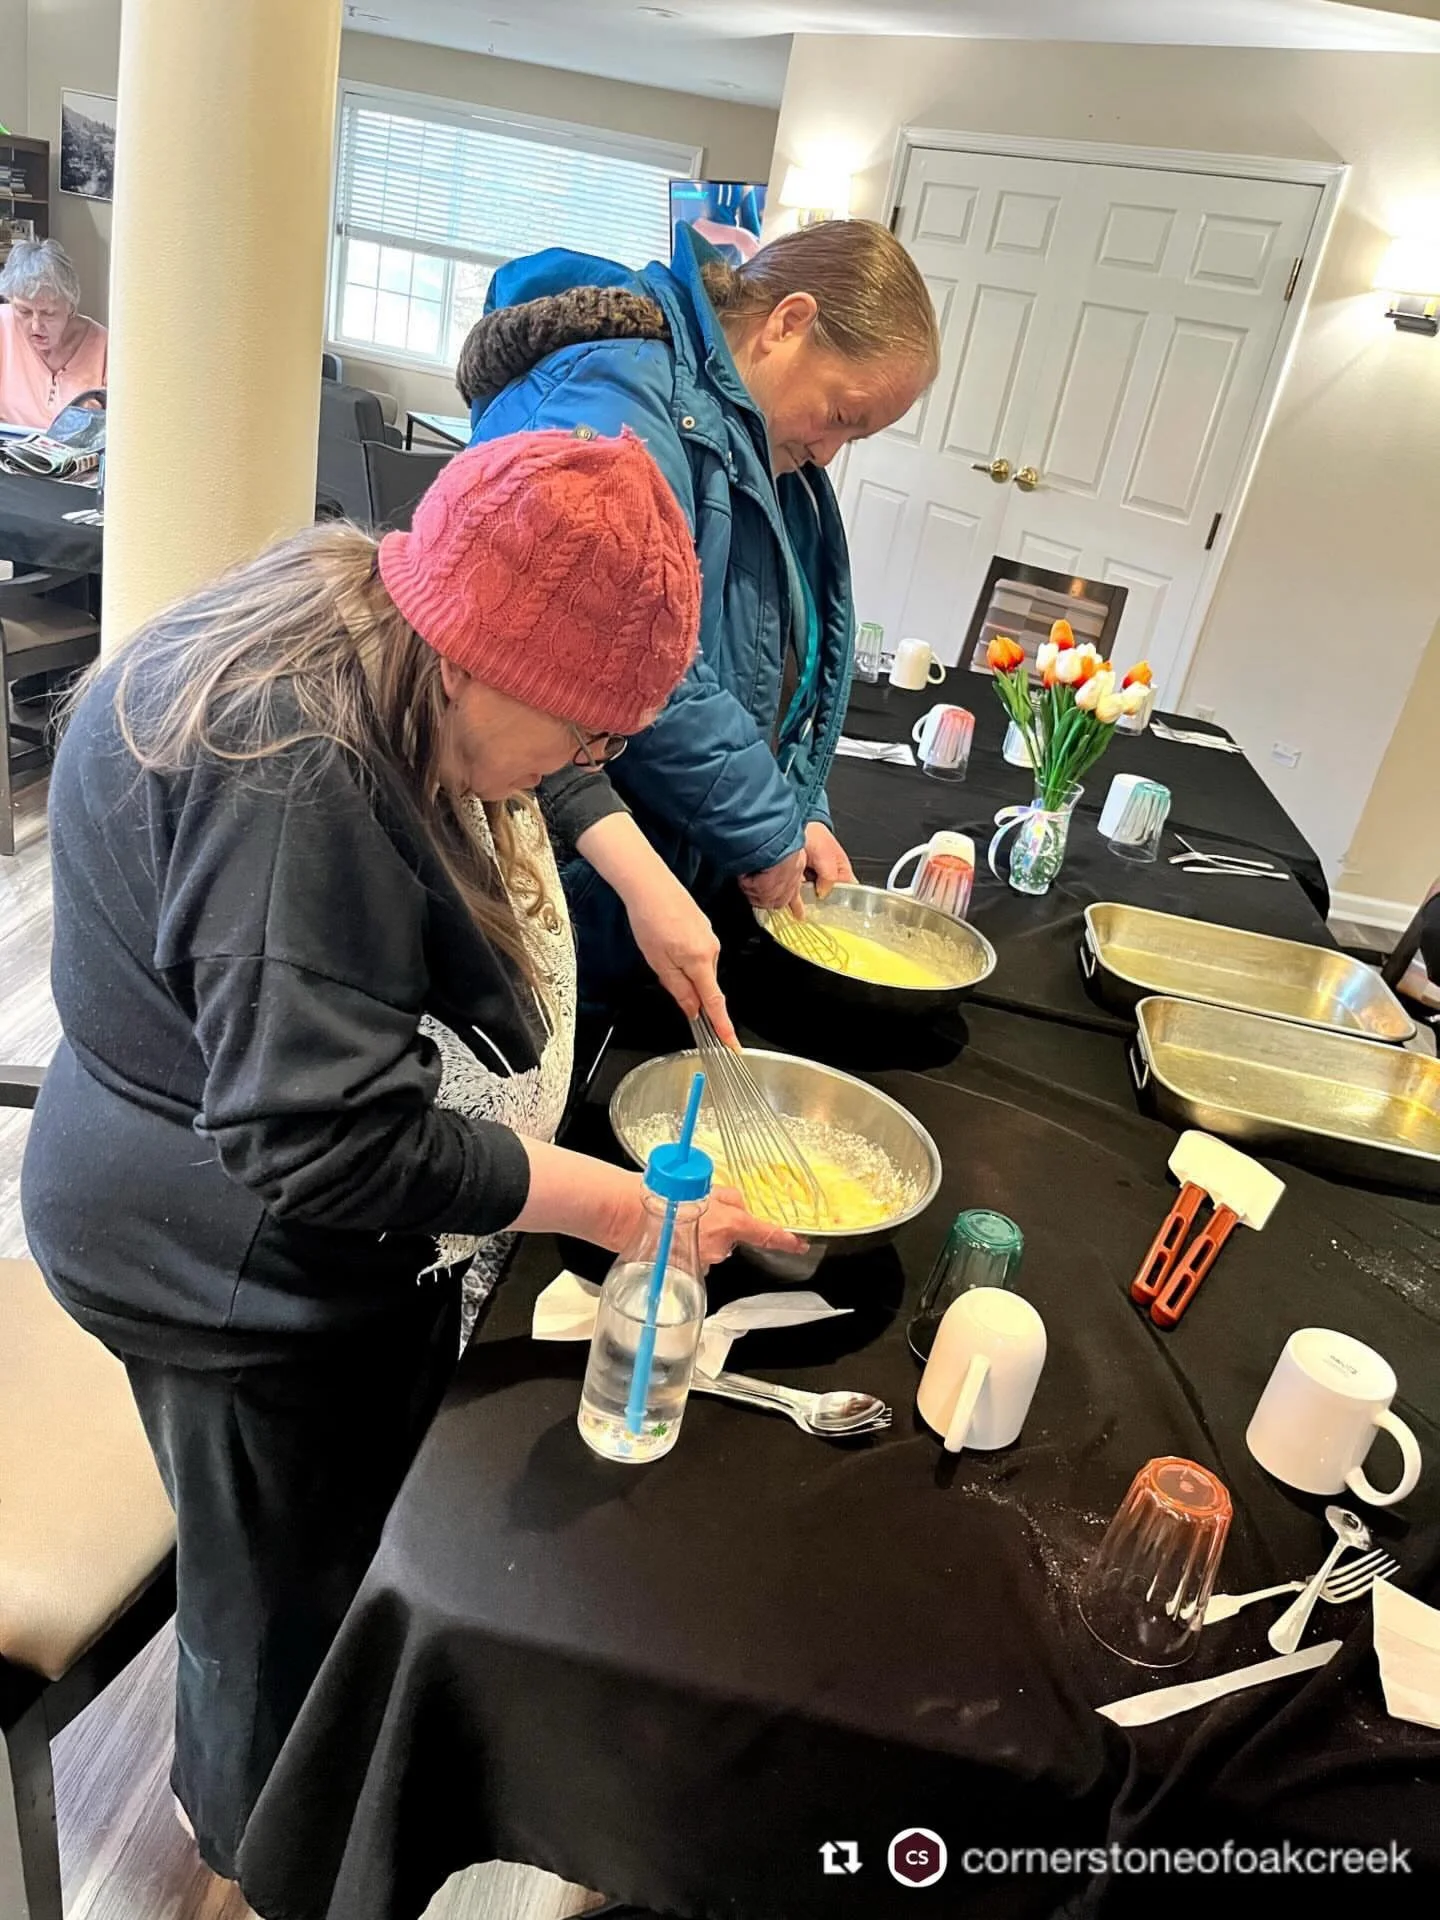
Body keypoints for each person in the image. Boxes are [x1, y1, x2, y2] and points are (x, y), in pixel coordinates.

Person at [20, 428, 799, 1883]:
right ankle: (262, 1850)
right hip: (215, 1252)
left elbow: (536, 737)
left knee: (318, 1541)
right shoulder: (297, 773)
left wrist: (626, 864)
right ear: (471, 655)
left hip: (249, 1182)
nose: (587, 769)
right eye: (589, 739)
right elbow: (325, 1141)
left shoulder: (374, 595)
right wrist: (624, 1210)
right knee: (274, 1596)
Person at [458, 219, 940, 1009]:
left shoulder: (741, 428)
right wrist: (765, 826)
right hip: (568, 872)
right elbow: (627, 648)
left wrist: (799, 808)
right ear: (788, 322)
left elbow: (763, 654)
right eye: (844, 416)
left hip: (648, 866)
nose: (831, 451)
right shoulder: (615, 394)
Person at [0, 237, 108, 428]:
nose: (35, 326)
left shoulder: (104, 346)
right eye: (24, 311)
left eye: (48, 313)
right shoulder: (3, 326)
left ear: (71, 306)